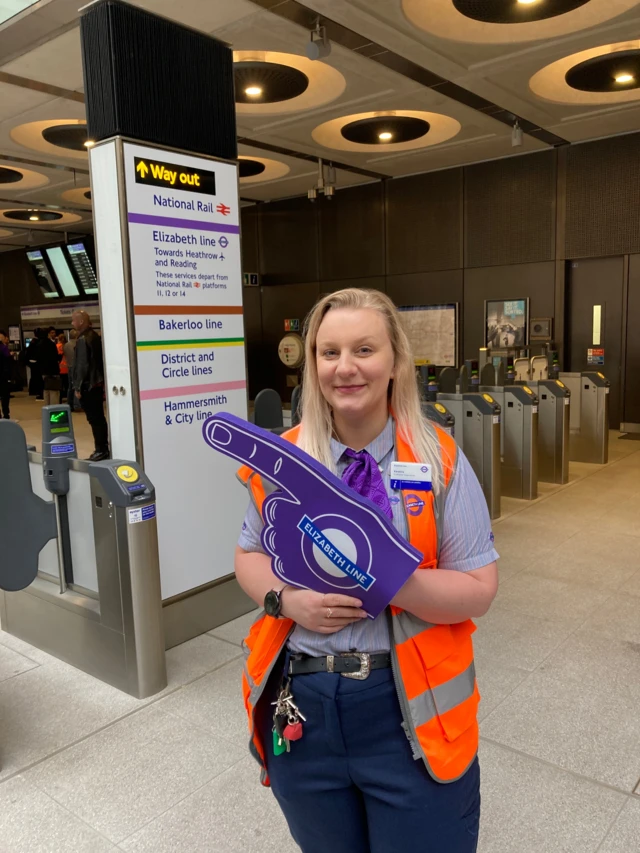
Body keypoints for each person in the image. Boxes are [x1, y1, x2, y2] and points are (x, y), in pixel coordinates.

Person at [234, 289, 499, 853]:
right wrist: (286, 600)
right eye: (328, 353)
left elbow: (479, 589)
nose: (345, 367)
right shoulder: (284, 461)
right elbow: (249, 556)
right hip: (303, 709)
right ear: (312, 366)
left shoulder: (438, 459)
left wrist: (386, 575)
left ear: (396, 362)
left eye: (364, 349)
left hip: (407, 712)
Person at [70, 310, 109, 461]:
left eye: (73, 321)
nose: (72, 323)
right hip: (96, 384)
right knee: (99, 418)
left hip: (89, 385)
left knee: (94, 419)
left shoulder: (83, 339)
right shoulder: (94, 337)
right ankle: (102, 448)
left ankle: (101, 449)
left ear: (80, 322)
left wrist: (77, 386)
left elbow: (82, 365)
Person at [37, 328, 60, 406]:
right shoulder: (51, 344)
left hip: (43, 370)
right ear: (47, 334)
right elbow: (56, 357)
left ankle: (47, 406)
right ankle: (54, 407)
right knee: (54, 390)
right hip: (53, 370)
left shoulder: (39, 344)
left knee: (46, 389)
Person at [26, 330, 44, 400]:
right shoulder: (39, 342)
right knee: (39, 378)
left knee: (34, 377)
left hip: (32, 362)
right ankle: (38, 391)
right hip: (37, 362)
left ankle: (33, 391)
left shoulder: (32, 342)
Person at [63, 330, 79, 409]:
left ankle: (70, 403)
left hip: (69, 366)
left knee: (70, 386)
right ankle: (77, 404)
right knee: (77, 385)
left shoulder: (66, 345)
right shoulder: (78, 344)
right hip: (76, 367)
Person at [0, 330, 13, 420]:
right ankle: (6, 414)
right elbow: (8, 362)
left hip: (3, 375)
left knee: (4, 396)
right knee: (5, 396)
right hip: (3, 376)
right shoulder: (3, 348)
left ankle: (4, 414)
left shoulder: (3, 348)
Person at [57, 334, 69, 403]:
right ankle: (68, 398)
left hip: (60, 368)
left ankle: (60, 399)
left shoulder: (57, 346)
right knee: (67, 385)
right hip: (67, 368)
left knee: (60, 385)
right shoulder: (67, 346)